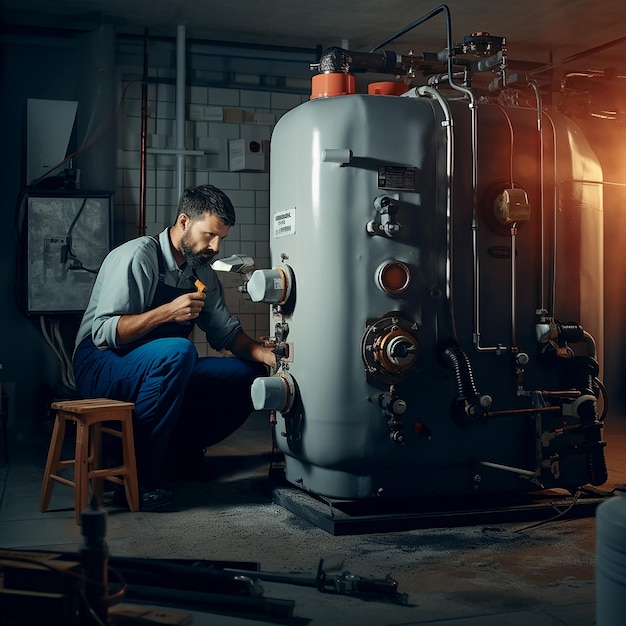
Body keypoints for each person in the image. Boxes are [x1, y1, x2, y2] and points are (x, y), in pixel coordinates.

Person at [73, 184, 275, 511]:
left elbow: (225, 334)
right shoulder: (139, 257)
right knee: (180, 352)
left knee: (247, 376)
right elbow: (104, 332)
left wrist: (266, 356)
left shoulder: (201, 274)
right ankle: (137, 480)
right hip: (101, 364)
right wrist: (166, 312)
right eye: (209, 235)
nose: (215, 246)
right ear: (184, 221)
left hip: (161, 368)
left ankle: (178, 456)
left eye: (221, 238)